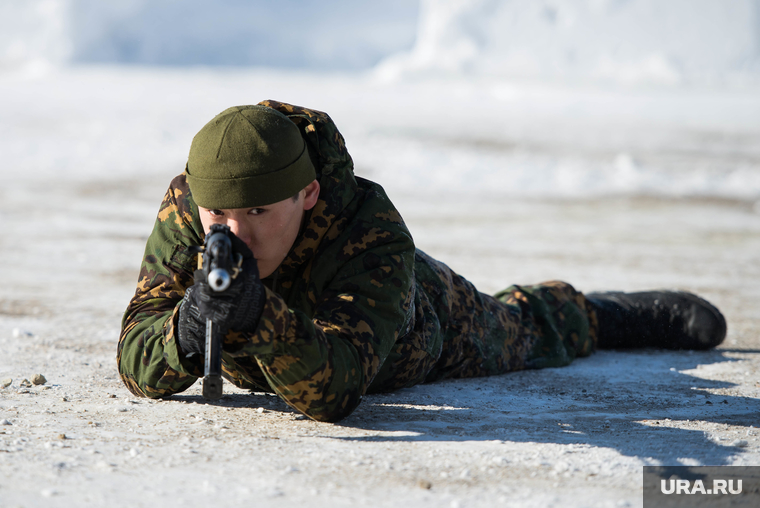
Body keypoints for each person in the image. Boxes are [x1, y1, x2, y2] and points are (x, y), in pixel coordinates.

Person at [117, 101, 727, 422]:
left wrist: (259, 315)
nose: (234, 232)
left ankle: (595, 315)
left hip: (418, 332)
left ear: (307, 193)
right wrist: (190, 328)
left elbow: (336, 390)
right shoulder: (189, 207)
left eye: (256, 213)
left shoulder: (370, 228)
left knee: (519, 330)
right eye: (218, 216)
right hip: (303, 339)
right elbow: (136, 358)